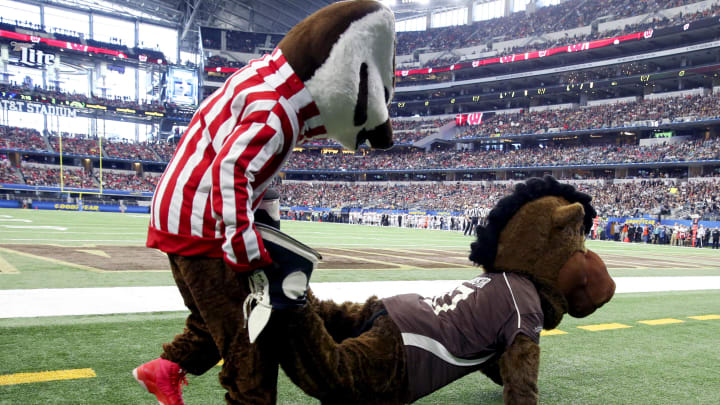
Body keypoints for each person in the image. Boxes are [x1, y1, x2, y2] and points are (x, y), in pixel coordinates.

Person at [131, 2, 397, 404]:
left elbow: (254, 172)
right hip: (202, 225)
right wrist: (245, 245)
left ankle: (164, 371)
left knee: (215, 317)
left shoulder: (265, 81)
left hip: (181, 216)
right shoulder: (278, 111)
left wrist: (265, 225)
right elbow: (232, 170)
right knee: (250, 347)